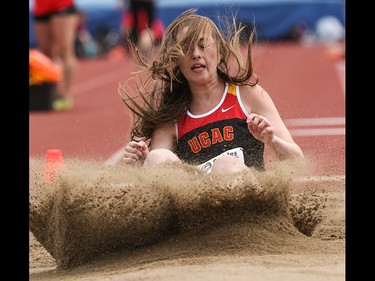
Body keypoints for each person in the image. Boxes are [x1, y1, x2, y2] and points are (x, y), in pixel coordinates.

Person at [119, 8, 304, 174]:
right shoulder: (171, 118)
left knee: (225, 165)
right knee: (156, 157)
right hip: (199, 204)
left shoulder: (247, 94)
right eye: (186, 48)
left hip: (248, 200)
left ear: (220, 51)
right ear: (177, 60)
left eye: (203, 45)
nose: (195, 54)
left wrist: (271, 140)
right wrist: (142, 162)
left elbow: (297, 161)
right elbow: (157, 171)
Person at [31, 0, 80, 111]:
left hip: (62, 5)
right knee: (46, 54)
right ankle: (50, 93)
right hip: (41, 7)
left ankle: (65, 94)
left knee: (64, 50)